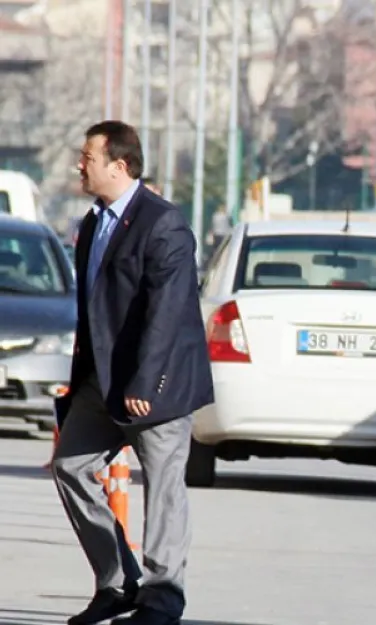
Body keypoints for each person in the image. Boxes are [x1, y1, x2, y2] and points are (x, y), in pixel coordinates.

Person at [52, 120, 214, 625]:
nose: (81, 165)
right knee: (71, 467)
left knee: (163, 487)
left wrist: (148, 382)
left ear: (119, 165)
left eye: (89, 157)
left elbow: (170, 309)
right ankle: (118, 582)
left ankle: (163, 597)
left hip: (153, 386)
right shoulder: (93, 223)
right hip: (101, 383)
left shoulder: (162, 223)